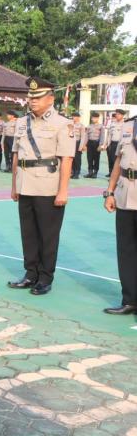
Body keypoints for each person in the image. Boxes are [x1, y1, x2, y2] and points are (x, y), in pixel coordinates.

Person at [8, 77, 74, 296]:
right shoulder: (21, 122)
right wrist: (14, 185)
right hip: (25, 183)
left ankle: (45, 277)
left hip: (48, 186)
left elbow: (66, 159)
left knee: (47, 234)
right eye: (30, 97)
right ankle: (30, 273)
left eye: (37, 97)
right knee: (28, 233)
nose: (32, 101)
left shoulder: (62, 124)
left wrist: (63, 190)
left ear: (50, 98)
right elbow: (16, 155)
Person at [102, 115, 137, 315]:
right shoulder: (128, 126)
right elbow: (118, 162)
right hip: (125, 196)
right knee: (126, 251)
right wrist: (110, 192)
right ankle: (130, 300)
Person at [104, 109, 126, 177]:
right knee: (111, 159)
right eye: (116, 114)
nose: (117, 115)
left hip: (120, 145)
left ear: (122, 115)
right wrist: (107, 144)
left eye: (118, 114)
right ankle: (111, 174)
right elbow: (109, 134)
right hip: (112, 144)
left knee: (118, 161)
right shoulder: (112, 123)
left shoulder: (125, 124)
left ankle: (118, 175)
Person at [85, 112, 104, 178]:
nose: (93, 119)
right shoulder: (89, 126)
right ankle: (90, 172)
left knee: (96, 159)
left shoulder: (101, 126)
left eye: (95, 118)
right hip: (89, 143)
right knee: (89, 158)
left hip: (97, 143)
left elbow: (102, 136)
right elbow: (86, 136)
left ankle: (95, 173)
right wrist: (85, 144)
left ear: (97, 118)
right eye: (92, 118)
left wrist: (100, 145)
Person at [70, 112, 87, 179]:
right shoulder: (70, 124)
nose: (73, 118)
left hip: (77, 143)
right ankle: (73, 172)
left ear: (78, 117)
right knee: (72, 159)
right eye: (73, 116)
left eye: (74, 116)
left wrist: (81, 146)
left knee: (77, 159)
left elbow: (83, 137)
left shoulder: (81, 125)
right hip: (71, 143)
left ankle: (77, 173)